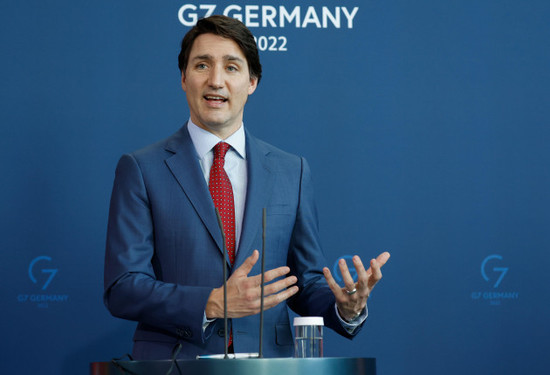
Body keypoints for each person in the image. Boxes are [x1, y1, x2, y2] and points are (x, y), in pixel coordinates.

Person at [104, 15, 390, 360]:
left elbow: (303, 285)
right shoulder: (141, 168)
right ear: (183, 78)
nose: (216, 81)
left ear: (252, 81)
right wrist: (211, 303)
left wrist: (345, 306)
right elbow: (123, 288)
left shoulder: (291, 171)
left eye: (232, 67)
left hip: (269, 364)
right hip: (175, 363)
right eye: (202, 65)